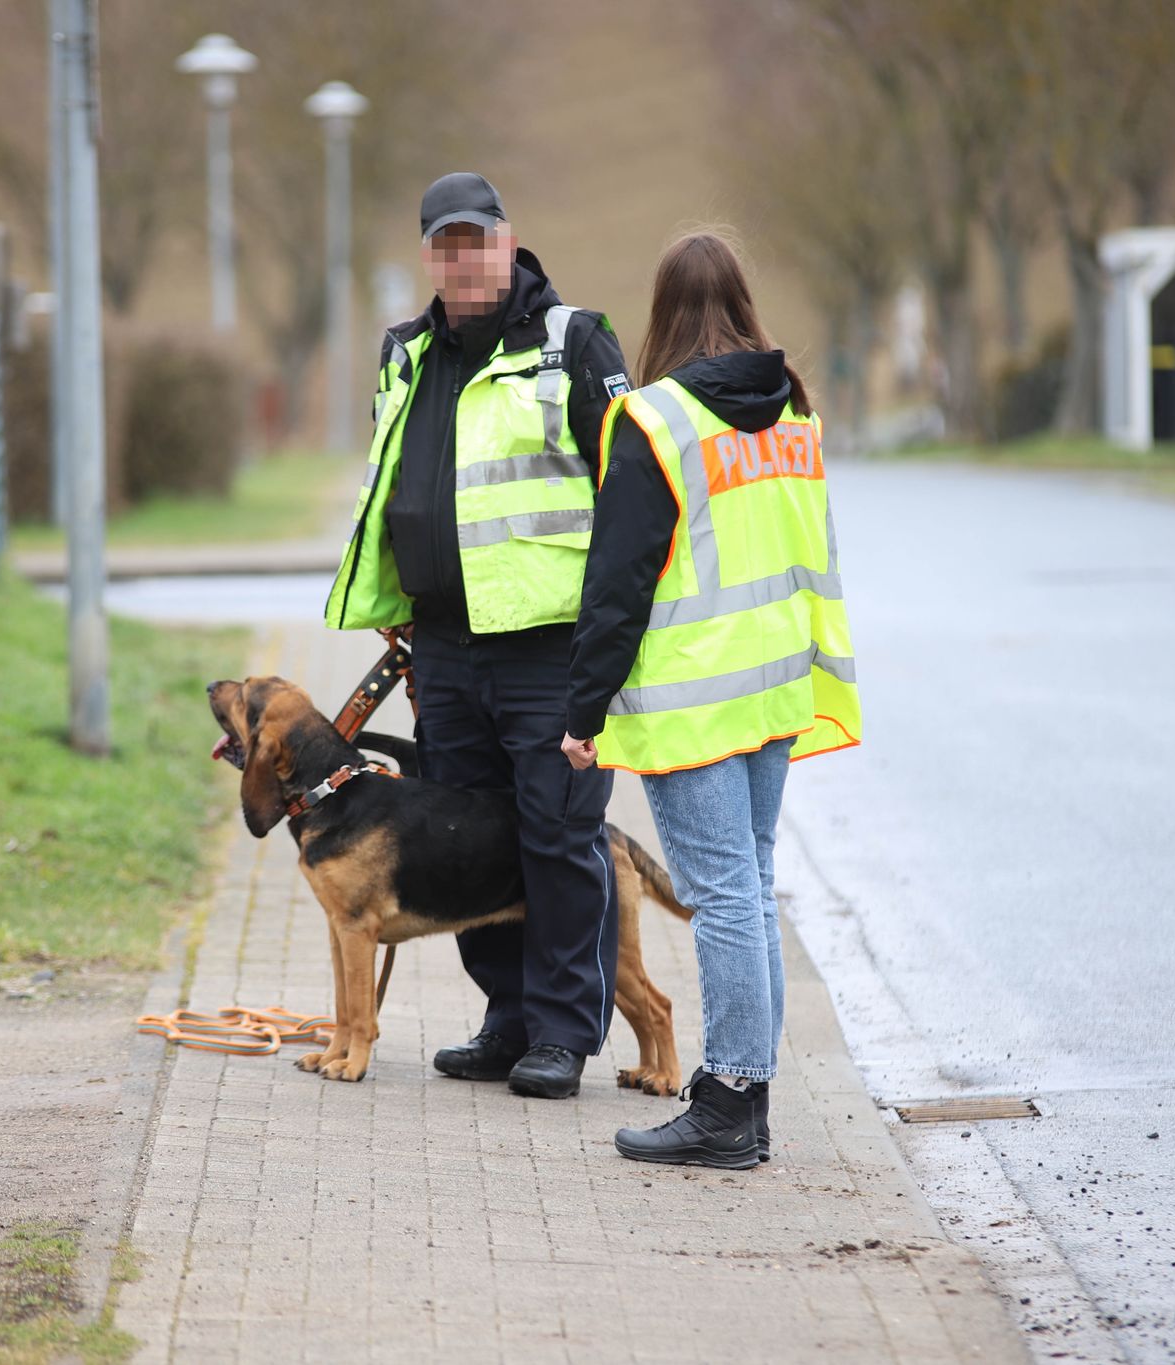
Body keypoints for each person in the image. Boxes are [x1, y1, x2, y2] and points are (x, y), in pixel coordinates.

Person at [323, 172, 635, 1099]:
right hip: (446, 648)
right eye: (446, 243)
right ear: (429, 255)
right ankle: (506, 1020)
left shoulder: (572, 341)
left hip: (549, 646)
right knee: (465, 838)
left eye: (479, 239)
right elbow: (395, 483)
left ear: (509, 241)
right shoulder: (405, 352)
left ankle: (563, 1034)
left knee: (557, 834)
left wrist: (613, 639)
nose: (464, 258)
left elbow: (629, 489)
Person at [560, 231, 862, 1165]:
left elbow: (618, 583)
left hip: (696, 699)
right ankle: (747, 1099)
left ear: (662, 314)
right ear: (743, 303)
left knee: (726, 894)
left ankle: (729, 1100)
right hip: (775, 684)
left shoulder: (657, 420)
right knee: (749, 889)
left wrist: (584, 711)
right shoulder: (792, 412)